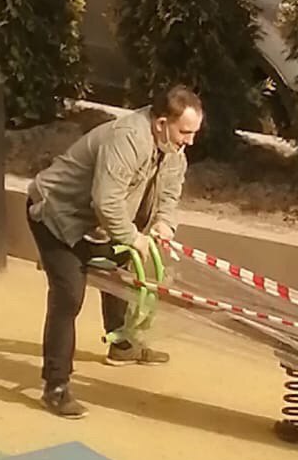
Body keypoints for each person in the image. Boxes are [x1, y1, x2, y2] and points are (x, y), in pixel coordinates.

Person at [26, 85, 204, 419]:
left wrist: (164, 223)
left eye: (194, 133)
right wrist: (133, 237)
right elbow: (106, 201)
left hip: (97, 223)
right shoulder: (128, 139)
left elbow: (170, 192)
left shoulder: (173, 148)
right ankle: (56, 386)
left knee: (121, 270)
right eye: (185, 132)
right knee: (69, 296)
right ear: (161, 123)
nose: (190, 141)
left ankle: (121, 344)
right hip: (56, 214)